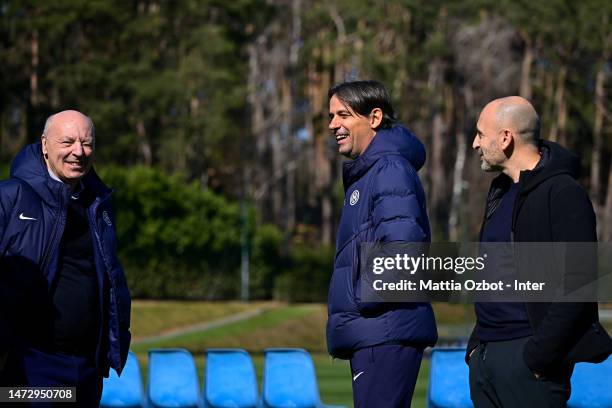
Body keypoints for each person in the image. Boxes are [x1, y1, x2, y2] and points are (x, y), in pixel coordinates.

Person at [467, 96, 612, 407]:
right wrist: (476, 348)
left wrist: (537, 357)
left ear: (505, 138)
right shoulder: (499, 191)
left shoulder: (564, 193)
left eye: (480, 134)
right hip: (486, 358)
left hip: (529, 364)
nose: (474, 144)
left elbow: (578, 284)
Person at [0, 110, 131, 406]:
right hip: (31, 365)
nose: (78, 152)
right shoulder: (11, 196)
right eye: (68, 142)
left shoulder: (100, 206)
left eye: (87, 143)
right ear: (45, 145)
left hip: (88, 367)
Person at [326, 80, 437, 407]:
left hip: (384, 331)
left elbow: (404, 247)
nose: (333, 125)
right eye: (331, 116)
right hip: (375, 332)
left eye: (343, 115)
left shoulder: (389, 168)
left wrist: (363, 300)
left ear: (374, 118)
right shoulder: (368, 172)